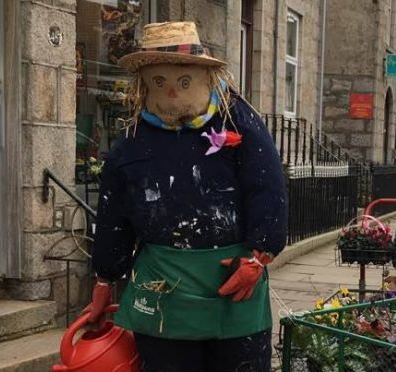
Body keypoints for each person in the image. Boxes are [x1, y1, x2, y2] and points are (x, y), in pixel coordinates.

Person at [85, 22, 287, 372]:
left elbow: (267, 188)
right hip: (162, 290)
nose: (173, 94)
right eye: (160, 82)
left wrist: (259, 256)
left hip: (235, 282)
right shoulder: (132, 141)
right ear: (144, 83)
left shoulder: (239, 123)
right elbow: (113, 214)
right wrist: (105, 277)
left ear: (205, 76)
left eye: (184, 82)